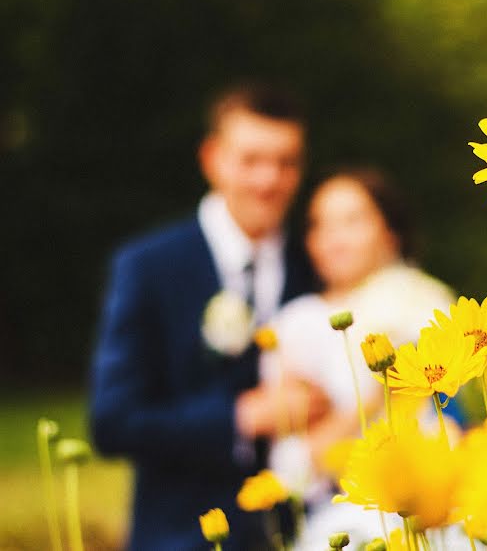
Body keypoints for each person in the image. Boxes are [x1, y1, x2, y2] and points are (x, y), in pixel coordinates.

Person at [90, 84, 330, 550]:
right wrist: (240, 418)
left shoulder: (316, 264)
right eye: (252, 160)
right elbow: (113, 422)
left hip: (306, 534)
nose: (269, 180)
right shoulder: (148, 267)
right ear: (212, 158)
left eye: (287, 163)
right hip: (181, 536)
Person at [261, 169, 457, 548]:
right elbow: (292, 452)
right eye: (321, 225)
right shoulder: (295, 324)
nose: (334, 238)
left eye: (352, 221)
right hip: (344, 505)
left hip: (439, 495)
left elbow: (458, 414)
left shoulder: (428, 306)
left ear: (389, 231)